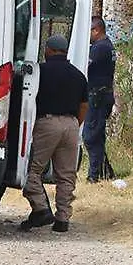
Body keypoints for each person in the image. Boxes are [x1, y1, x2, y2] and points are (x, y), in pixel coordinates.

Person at [20, 34, 88, 233]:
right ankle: (62, 220)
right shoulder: (78, 75)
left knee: (32, 171)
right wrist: (75, 123)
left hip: (46, 124)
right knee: (66, 175)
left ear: (48, 50)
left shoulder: (39, 72)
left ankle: (41, 208)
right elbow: (84, 105)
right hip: (71, 125)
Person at [84, 16, 117, 182]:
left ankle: (94, 175)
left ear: (96, 30)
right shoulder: (107, 45)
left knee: (90, 136)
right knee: (96, 135)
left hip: (98, 96)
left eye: (88, 31)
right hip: (104, 95)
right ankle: (106, 172)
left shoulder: (99, 48)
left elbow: (85, 66)